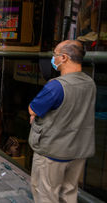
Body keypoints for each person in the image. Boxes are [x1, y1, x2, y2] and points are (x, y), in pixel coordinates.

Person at [28, 40, 95, 203]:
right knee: (69, 192)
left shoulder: (56, 86)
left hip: (53, 153)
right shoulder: (90, 83)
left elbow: (33, 109)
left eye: (55, 55)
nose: (53, 58)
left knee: (46, 193)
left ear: (64, 58)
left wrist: (34, 116)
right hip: (78, 151)